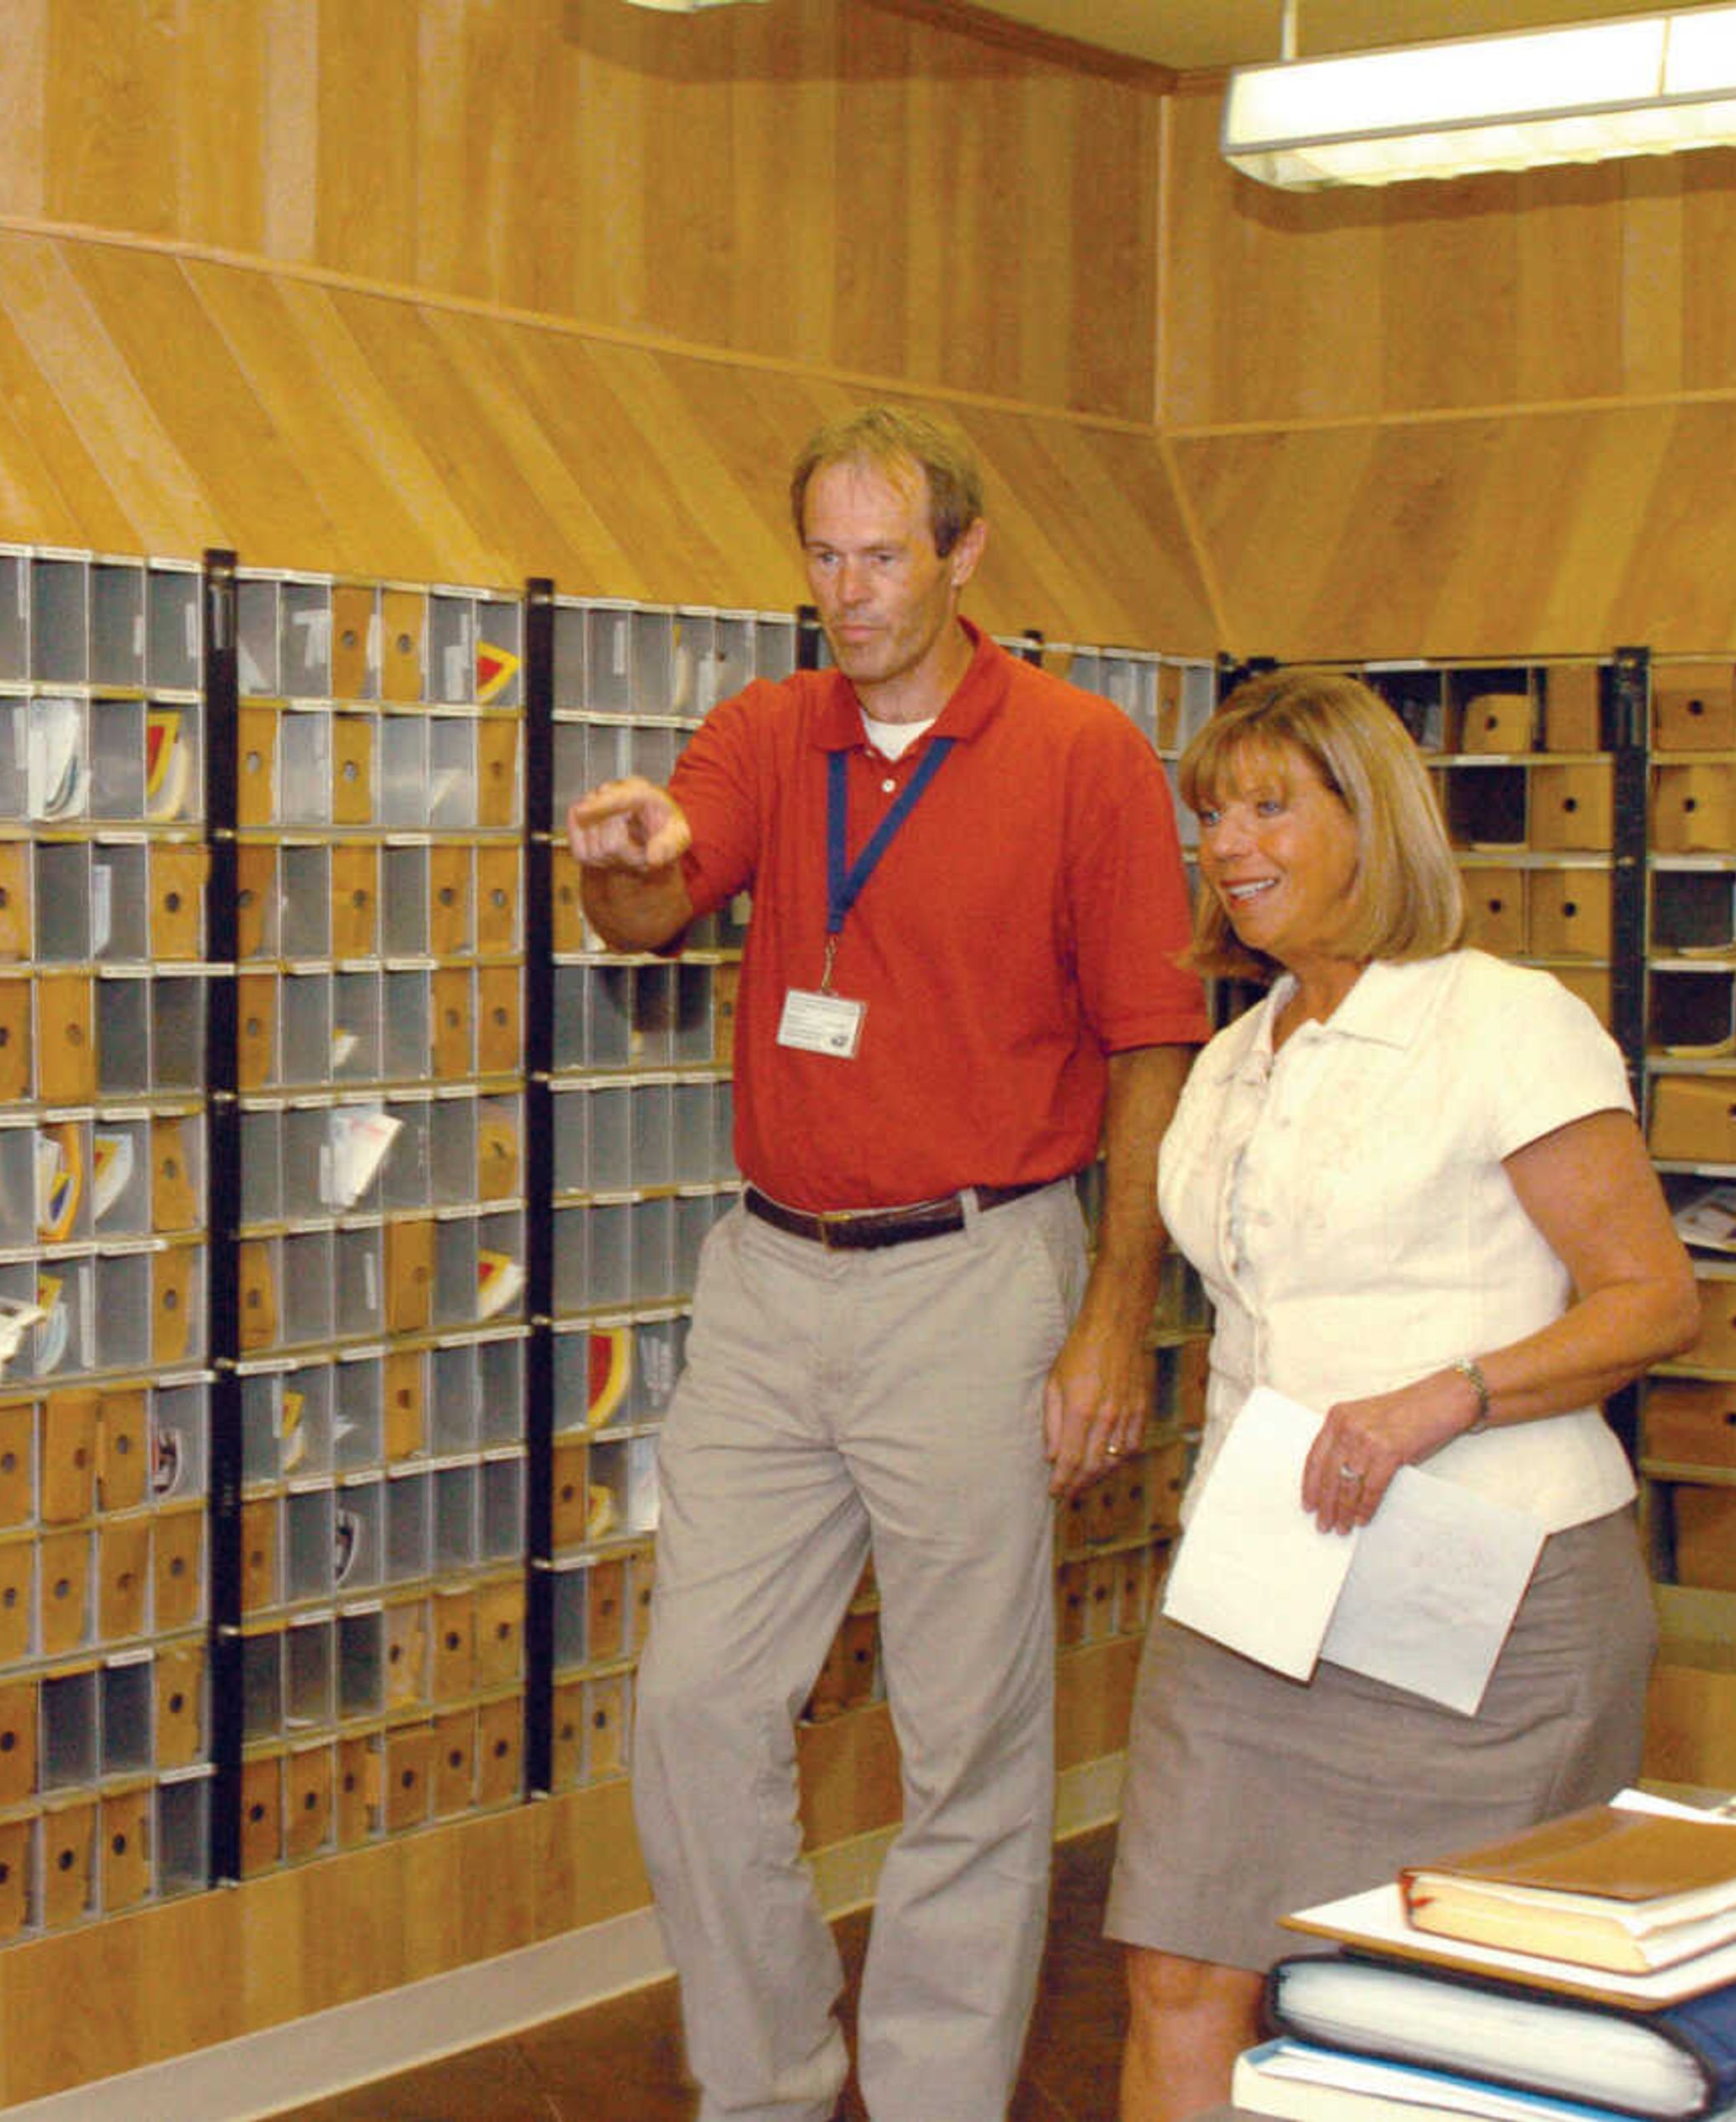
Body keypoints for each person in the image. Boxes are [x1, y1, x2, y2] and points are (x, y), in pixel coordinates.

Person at [567, 404, 1209, 2122]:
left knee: (971, 1750)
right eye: (823, 558)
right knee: (695, 1706)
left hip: (979, 1272)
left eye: (881, 557)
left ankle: (932, 2101)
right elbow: (656, 900)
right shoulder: (772, 733)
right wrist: (620, 868)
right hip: (773, 1279)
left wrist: (1112, 1319)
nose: (848, 594)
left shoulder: (1081, 755)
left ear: (960, 555)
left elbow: (1156, 1045)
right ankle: (767, 2084)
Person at [1108, 669, 1697, 2122]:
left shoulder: (1504, 1022)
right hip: (1260, 1578)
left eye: (1267, 806)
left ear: (1371, 822)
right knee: (1178, 1968)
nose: (1228, 845)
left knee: (1455, 2023)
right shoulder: (1236, 1056)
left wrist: (1447, 1395)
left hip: (1487, 1593)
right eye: (1210, 814)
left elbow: (1655, 1297)